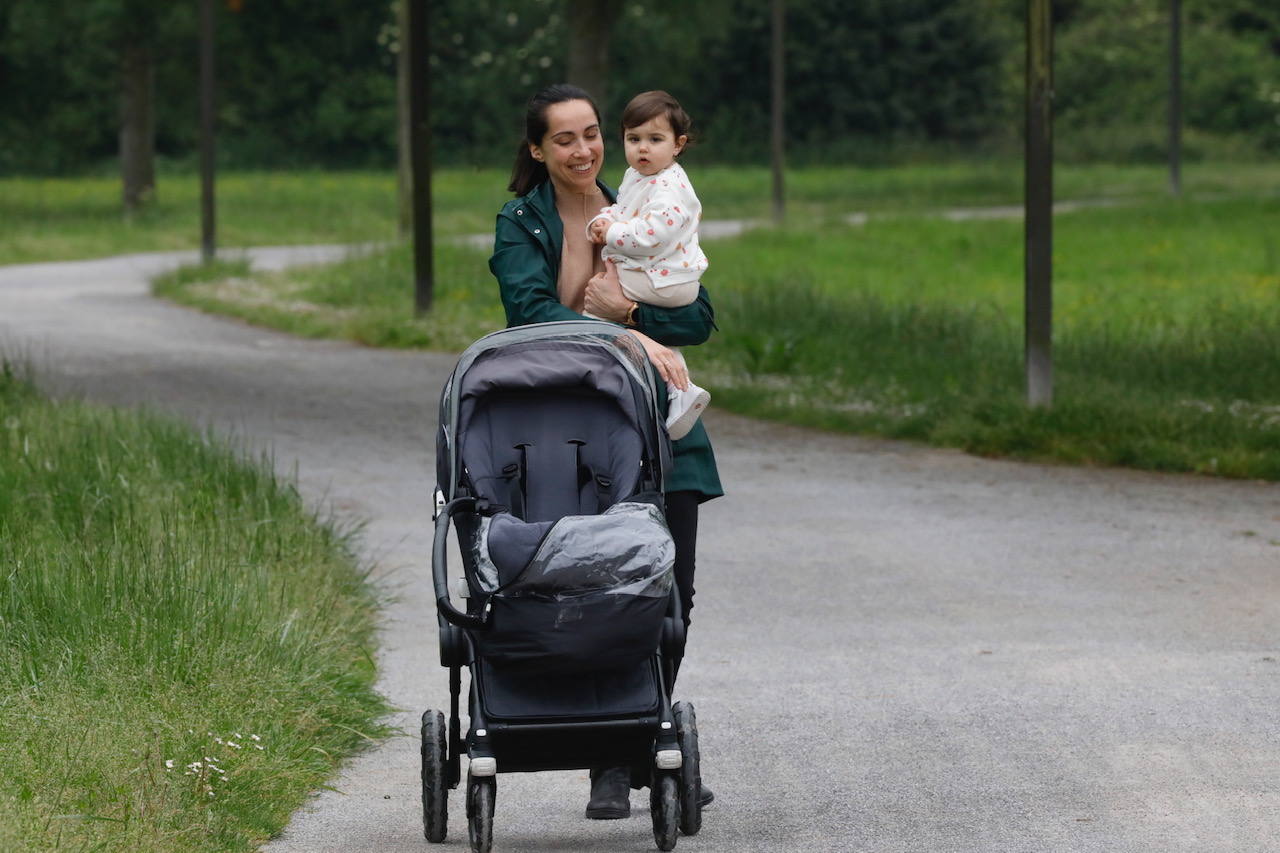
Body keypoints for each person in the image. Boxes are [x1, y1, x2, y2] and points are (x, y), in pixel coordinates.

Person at [489, 83, 722, 821]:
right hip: (568, 431)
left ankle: (633, 739)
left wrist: (634, 315)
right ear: (537, 150)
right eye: (565, 139)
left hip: (657, 425)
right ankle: (611, 757)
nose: (586, 150)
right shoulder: (519, 225)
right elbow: (528, 312)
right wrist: (621, 334)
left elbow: (700, 315)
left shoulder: (644, 209)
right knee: (593, 591)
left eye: (593, 134)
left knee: (670, 596)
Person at [585, 90, 711, 440]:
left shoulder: (671, 187)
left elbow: (651, 235)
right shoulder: (637, 176)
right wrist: (606, 218)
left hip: (668, 281)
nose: (642, 148)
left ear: (678, 144)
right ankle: (681, 391)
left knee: (596, 308)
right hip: (663, 277)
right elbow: (628, 212)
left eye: (655, 139)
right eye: (633, 138)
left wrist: (611, 233)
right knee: (660, 342)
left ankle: (603, 378)